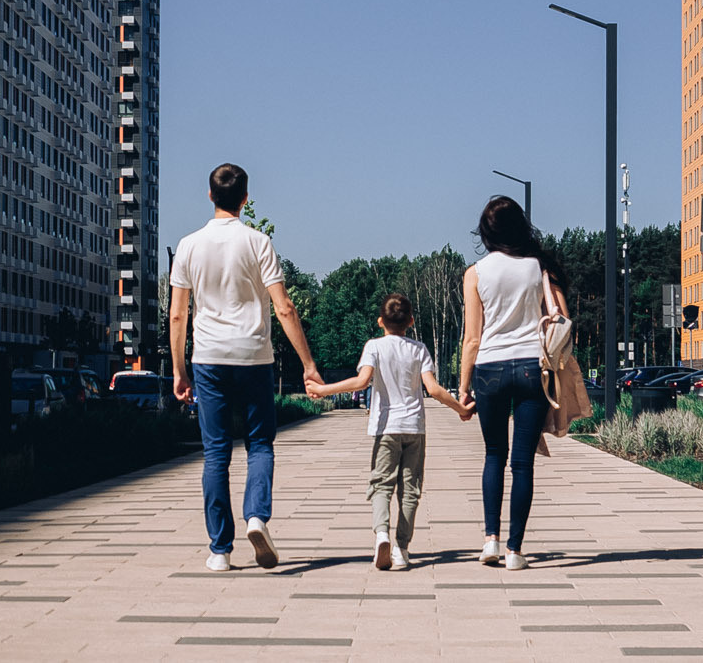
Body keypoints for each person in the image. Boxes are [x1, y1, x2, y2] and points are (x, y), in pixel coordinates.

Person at [170, 164, 322, 572]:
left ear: (209, 195)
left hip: (208, 359)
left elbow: (178, 316)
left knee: (216, 453)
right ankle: (256, 516)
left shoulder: (188, 246)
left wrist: (178, 370)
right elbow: (284, 307)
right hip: (254, 357)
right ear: (245, 198)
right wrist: (308, 364)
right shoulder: (259, 242)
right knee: (260, 445)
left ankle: (220, 550)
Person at [306, 292, 471, 571]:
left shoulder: (374, 346)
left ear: (381, 321)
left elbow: (362, 382)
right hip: (415, 429)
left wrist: (323, 390)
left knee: (381, 485)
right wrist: (461, 409)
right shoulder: (419, 349)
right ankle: (402, 549)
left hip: (386, 429)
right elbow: (432, 390)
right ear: (411, 321)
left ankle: (381, 534)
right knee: (410, 490)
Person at [457, 194, 569, 569]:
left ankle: (490, 540)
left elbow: (472, 338)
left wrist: (463, 386)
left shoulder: (475, 273)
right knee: (522, 464)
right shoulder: (538, 268)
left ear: (485, 232)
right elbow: (562, 319)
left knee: (493, 455)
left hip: (489, 369)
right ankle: (515, 551)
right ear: (520, 226)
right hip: (531, 368)